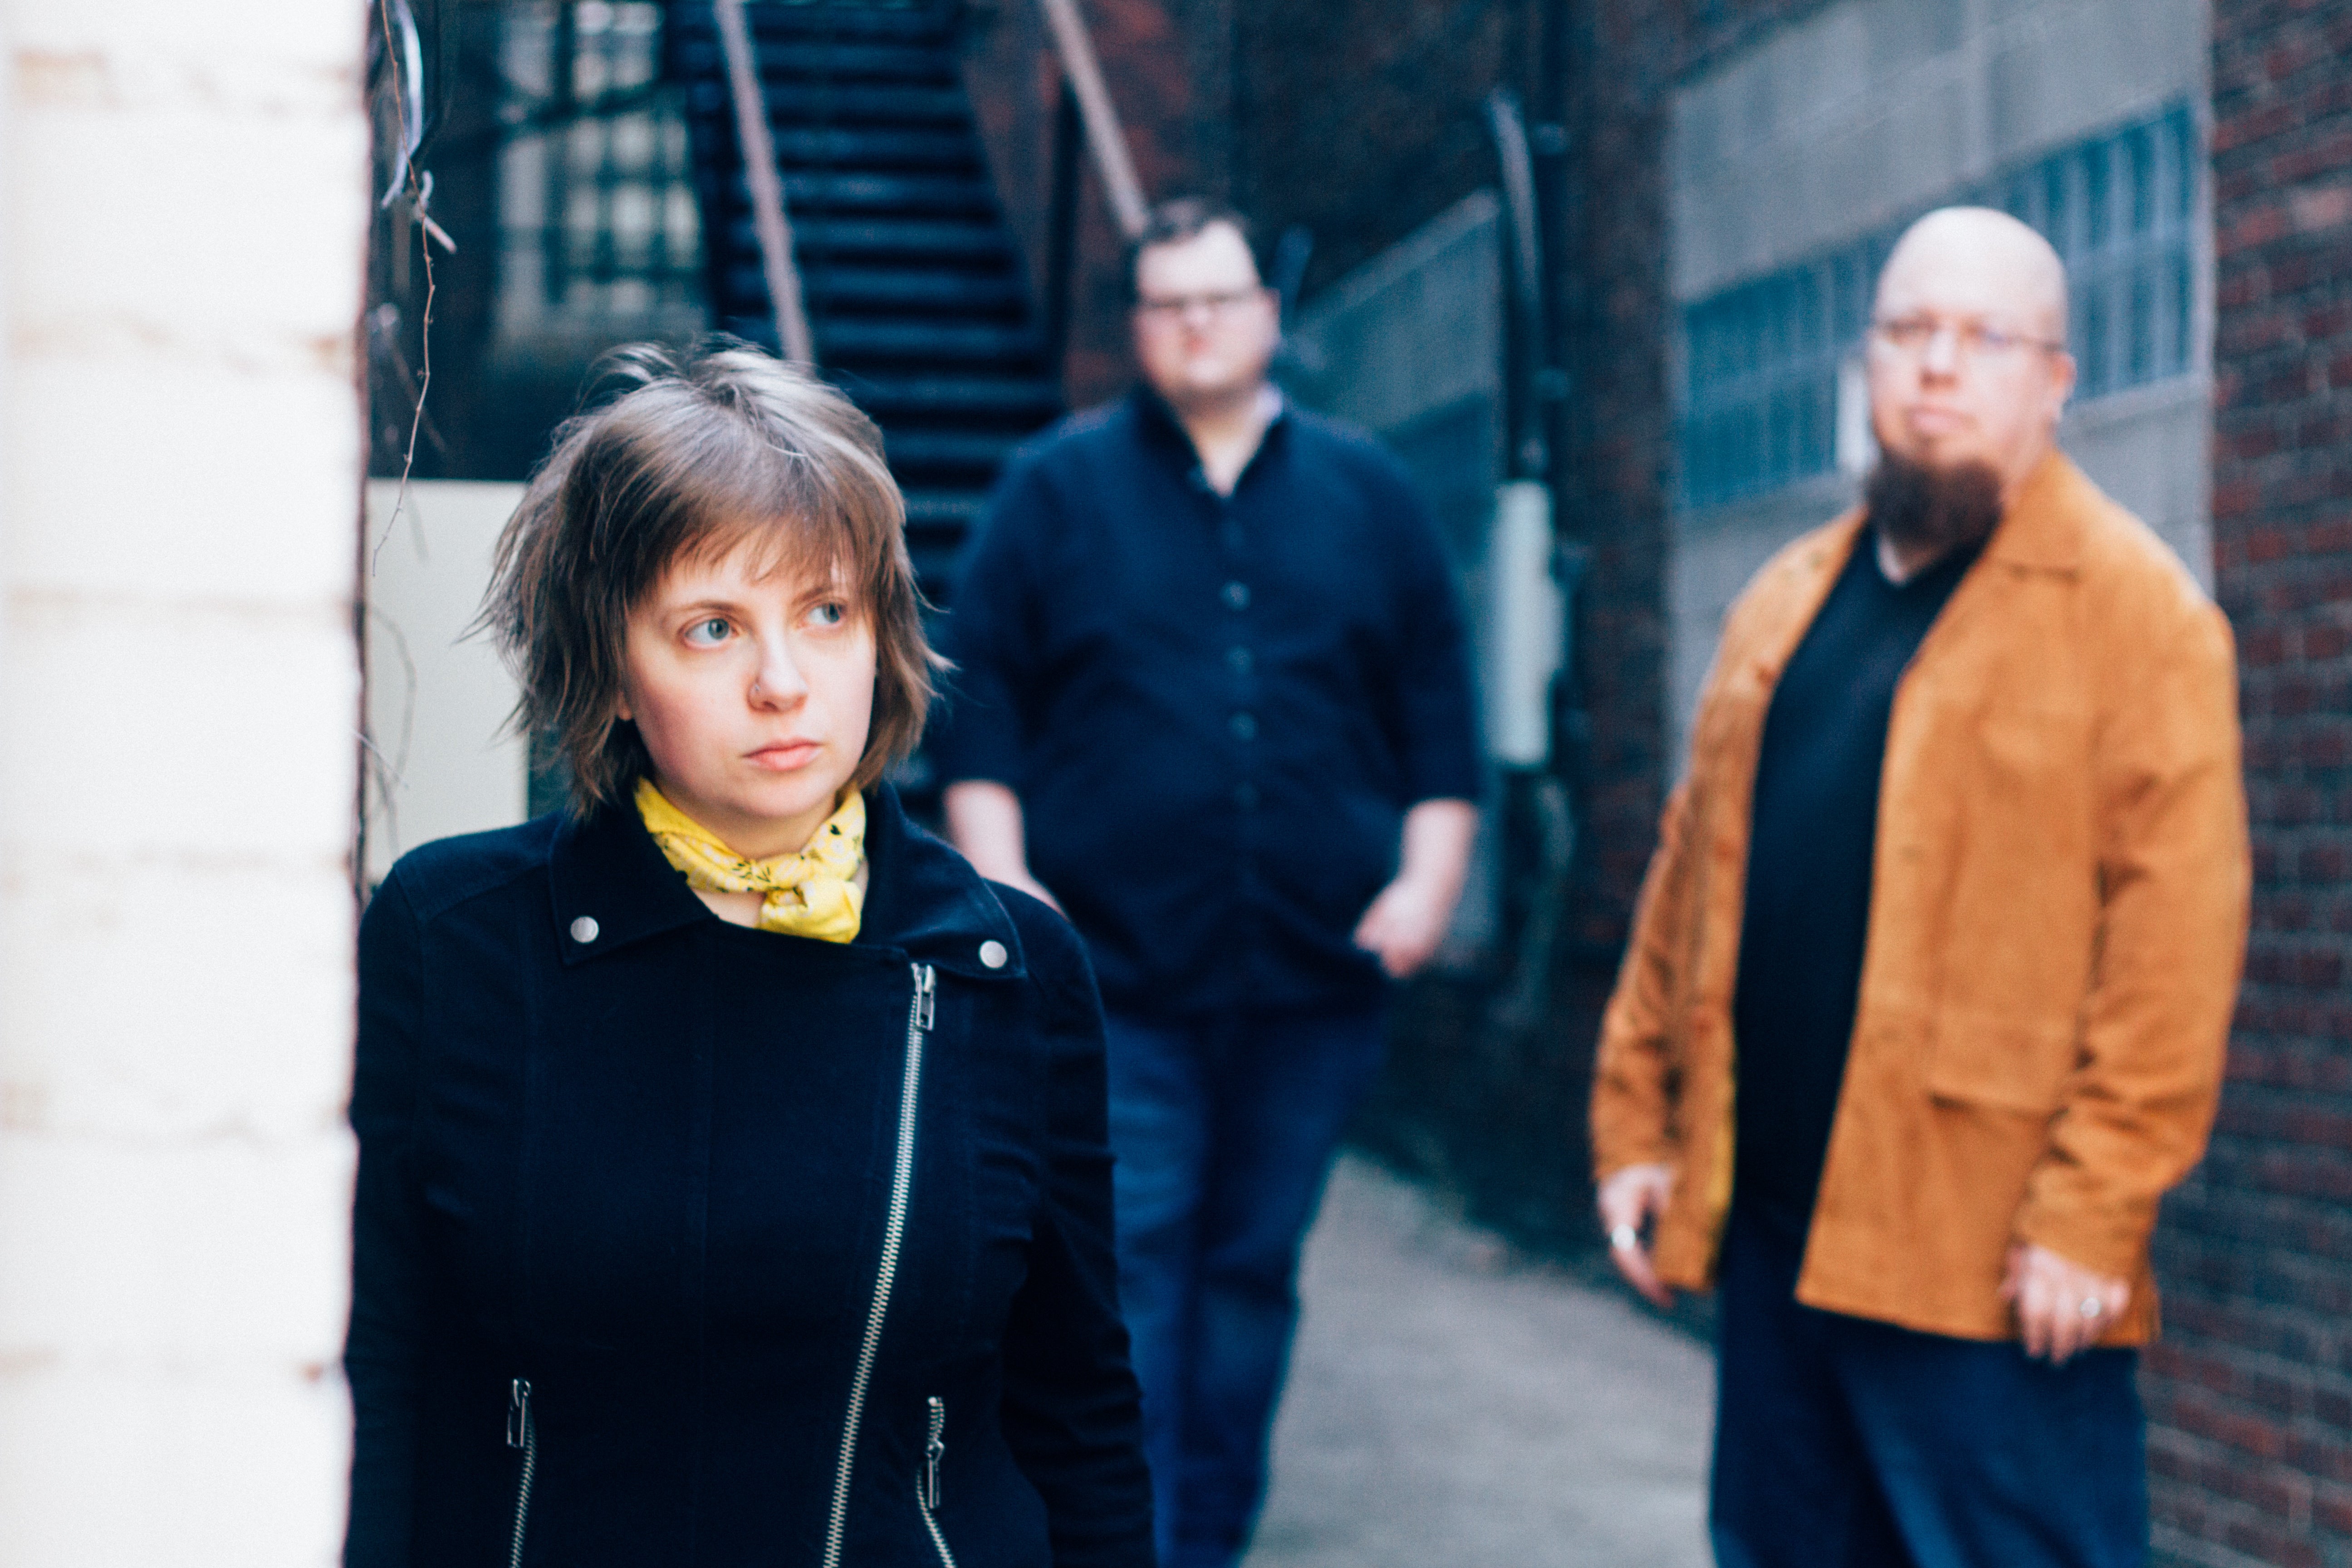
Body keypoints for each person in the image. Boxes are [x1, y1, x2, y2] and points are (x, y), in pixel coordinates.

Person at [343, 343, 1154, 1568]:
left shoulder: (1008, 966)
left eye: (827, 613)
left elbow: (1079, 1407)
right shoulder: (451, 938)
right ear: (611, 668)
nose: (785, 683)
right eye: (713, 628)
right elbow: (376, 1374)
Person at [1590, 205, 2249, 1568]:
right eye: (1907, 331)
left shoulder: (2139, 616)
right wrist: (1637, 1125)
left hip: (1992, 1270)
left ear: (2057, 380)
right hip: (1778, 1237)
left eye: (1985, 337)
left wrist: (2091, 1215)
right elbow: (1687, 887)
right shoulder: (1785, 599)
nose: (1938, 366)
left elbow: (2173, 955)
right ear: (1869, 361)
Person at [937, 199, 1482, 1568]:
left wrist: (1426, 886)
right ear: (1137, 330)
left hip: (1319, 984)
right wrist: (1010, 889)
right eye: (1169, 304)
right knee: (1132, 1275)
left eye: (1220, 300)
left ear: (1268, 315)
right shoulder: (1052, 492)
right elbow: (982, 706)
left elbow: (1436, 713)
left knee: (1249, 1276)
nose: (1198, 326)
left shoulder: (1372, 496)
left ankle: (1211, 1534)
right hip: (1120, 983)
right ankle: (1140, 1544)